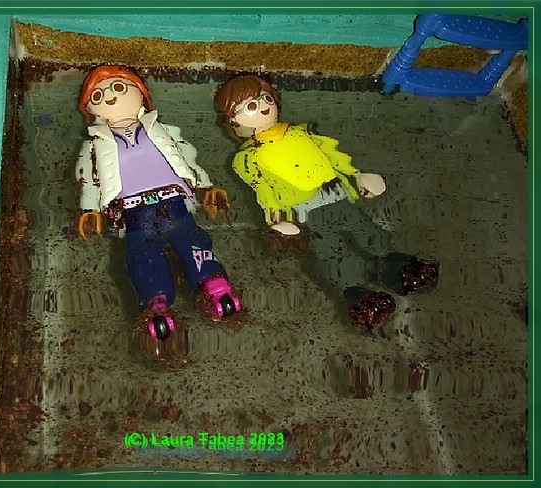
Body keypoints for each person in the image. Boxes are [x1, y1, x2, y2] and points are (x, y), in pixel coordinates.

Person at [214, 74, 438, 329]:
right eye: (251, 106)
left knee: (364, 227)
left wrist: (357, 175)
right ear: (234, 121)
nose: (263, 107)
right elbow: (264, 190)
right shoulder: (247, 159)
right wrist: (277, 219)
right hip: (306, 209)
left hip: (335, 193)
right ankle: (356, 293)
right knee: (330, 249)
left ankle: (397, 265)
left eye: (265, 98)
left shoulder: (302, 132)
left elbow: (332, 154)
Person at [76, 65, 241, 341]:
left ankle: (215, 285)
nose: (110, 97)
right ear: (89, 109)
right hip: (133, 213)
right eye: (97, 95)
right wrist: (89, 208)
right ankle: (156, 302)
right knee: (143, 255)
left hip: (173, 202)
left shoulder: (163, 130)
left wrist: (204, 186)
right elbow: (88, 178)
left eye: (119, 88)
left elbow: (186, 158)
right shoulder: (94, 144)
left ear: (141, 93)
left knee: (192, 239)